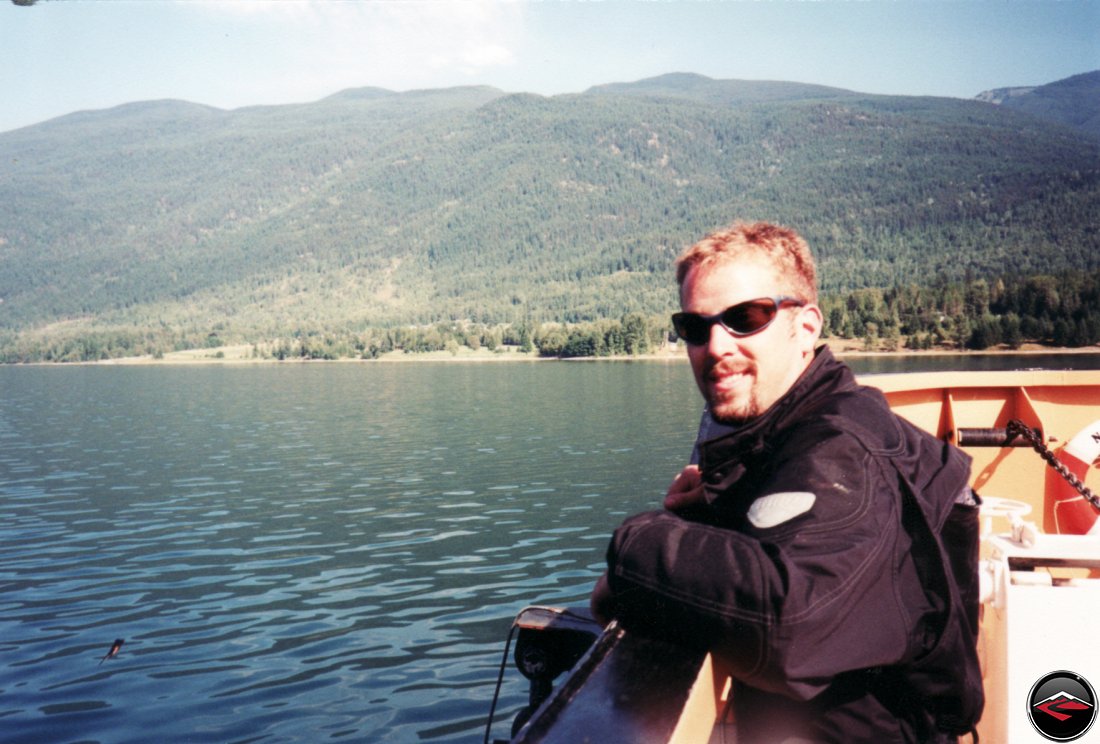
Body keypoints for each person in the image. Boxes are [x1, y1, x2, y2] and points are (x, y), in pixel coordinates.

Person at [591, 222, 983, 743]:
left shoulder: (843, 449)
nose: (715, 346)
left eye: (745, 318)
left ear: (806, 328)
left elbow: (794, 622)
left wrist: (638, 544)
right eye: (694, 326)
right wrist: (720, 510)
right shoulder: (788, 437)